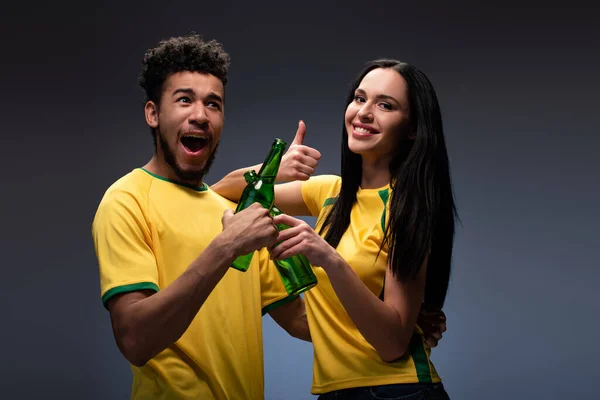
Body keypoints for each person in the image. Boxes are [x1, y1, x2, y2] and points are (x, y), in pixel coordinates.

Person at [212, 59, 456, 399]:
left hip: (397, 391)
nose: (364, 112)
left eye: (385, 105)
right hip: (335, 392)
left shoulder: (407, 209)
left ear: (412, 127)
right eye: (359, 98)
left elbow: (393, 344)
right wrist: (274, 168)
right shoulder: (329, 193)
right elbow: (219, 192)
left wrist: (329, 258)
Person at [91, 34, 311, 400]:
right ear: (153, 113)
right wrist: (225, 247)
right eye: (184, 100)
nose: (200, 115)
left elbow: (303, 322)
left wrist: (397, 318)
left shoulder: (234, 213)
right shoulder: (126, 200)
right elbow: (135, 339)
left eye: (213, 104)